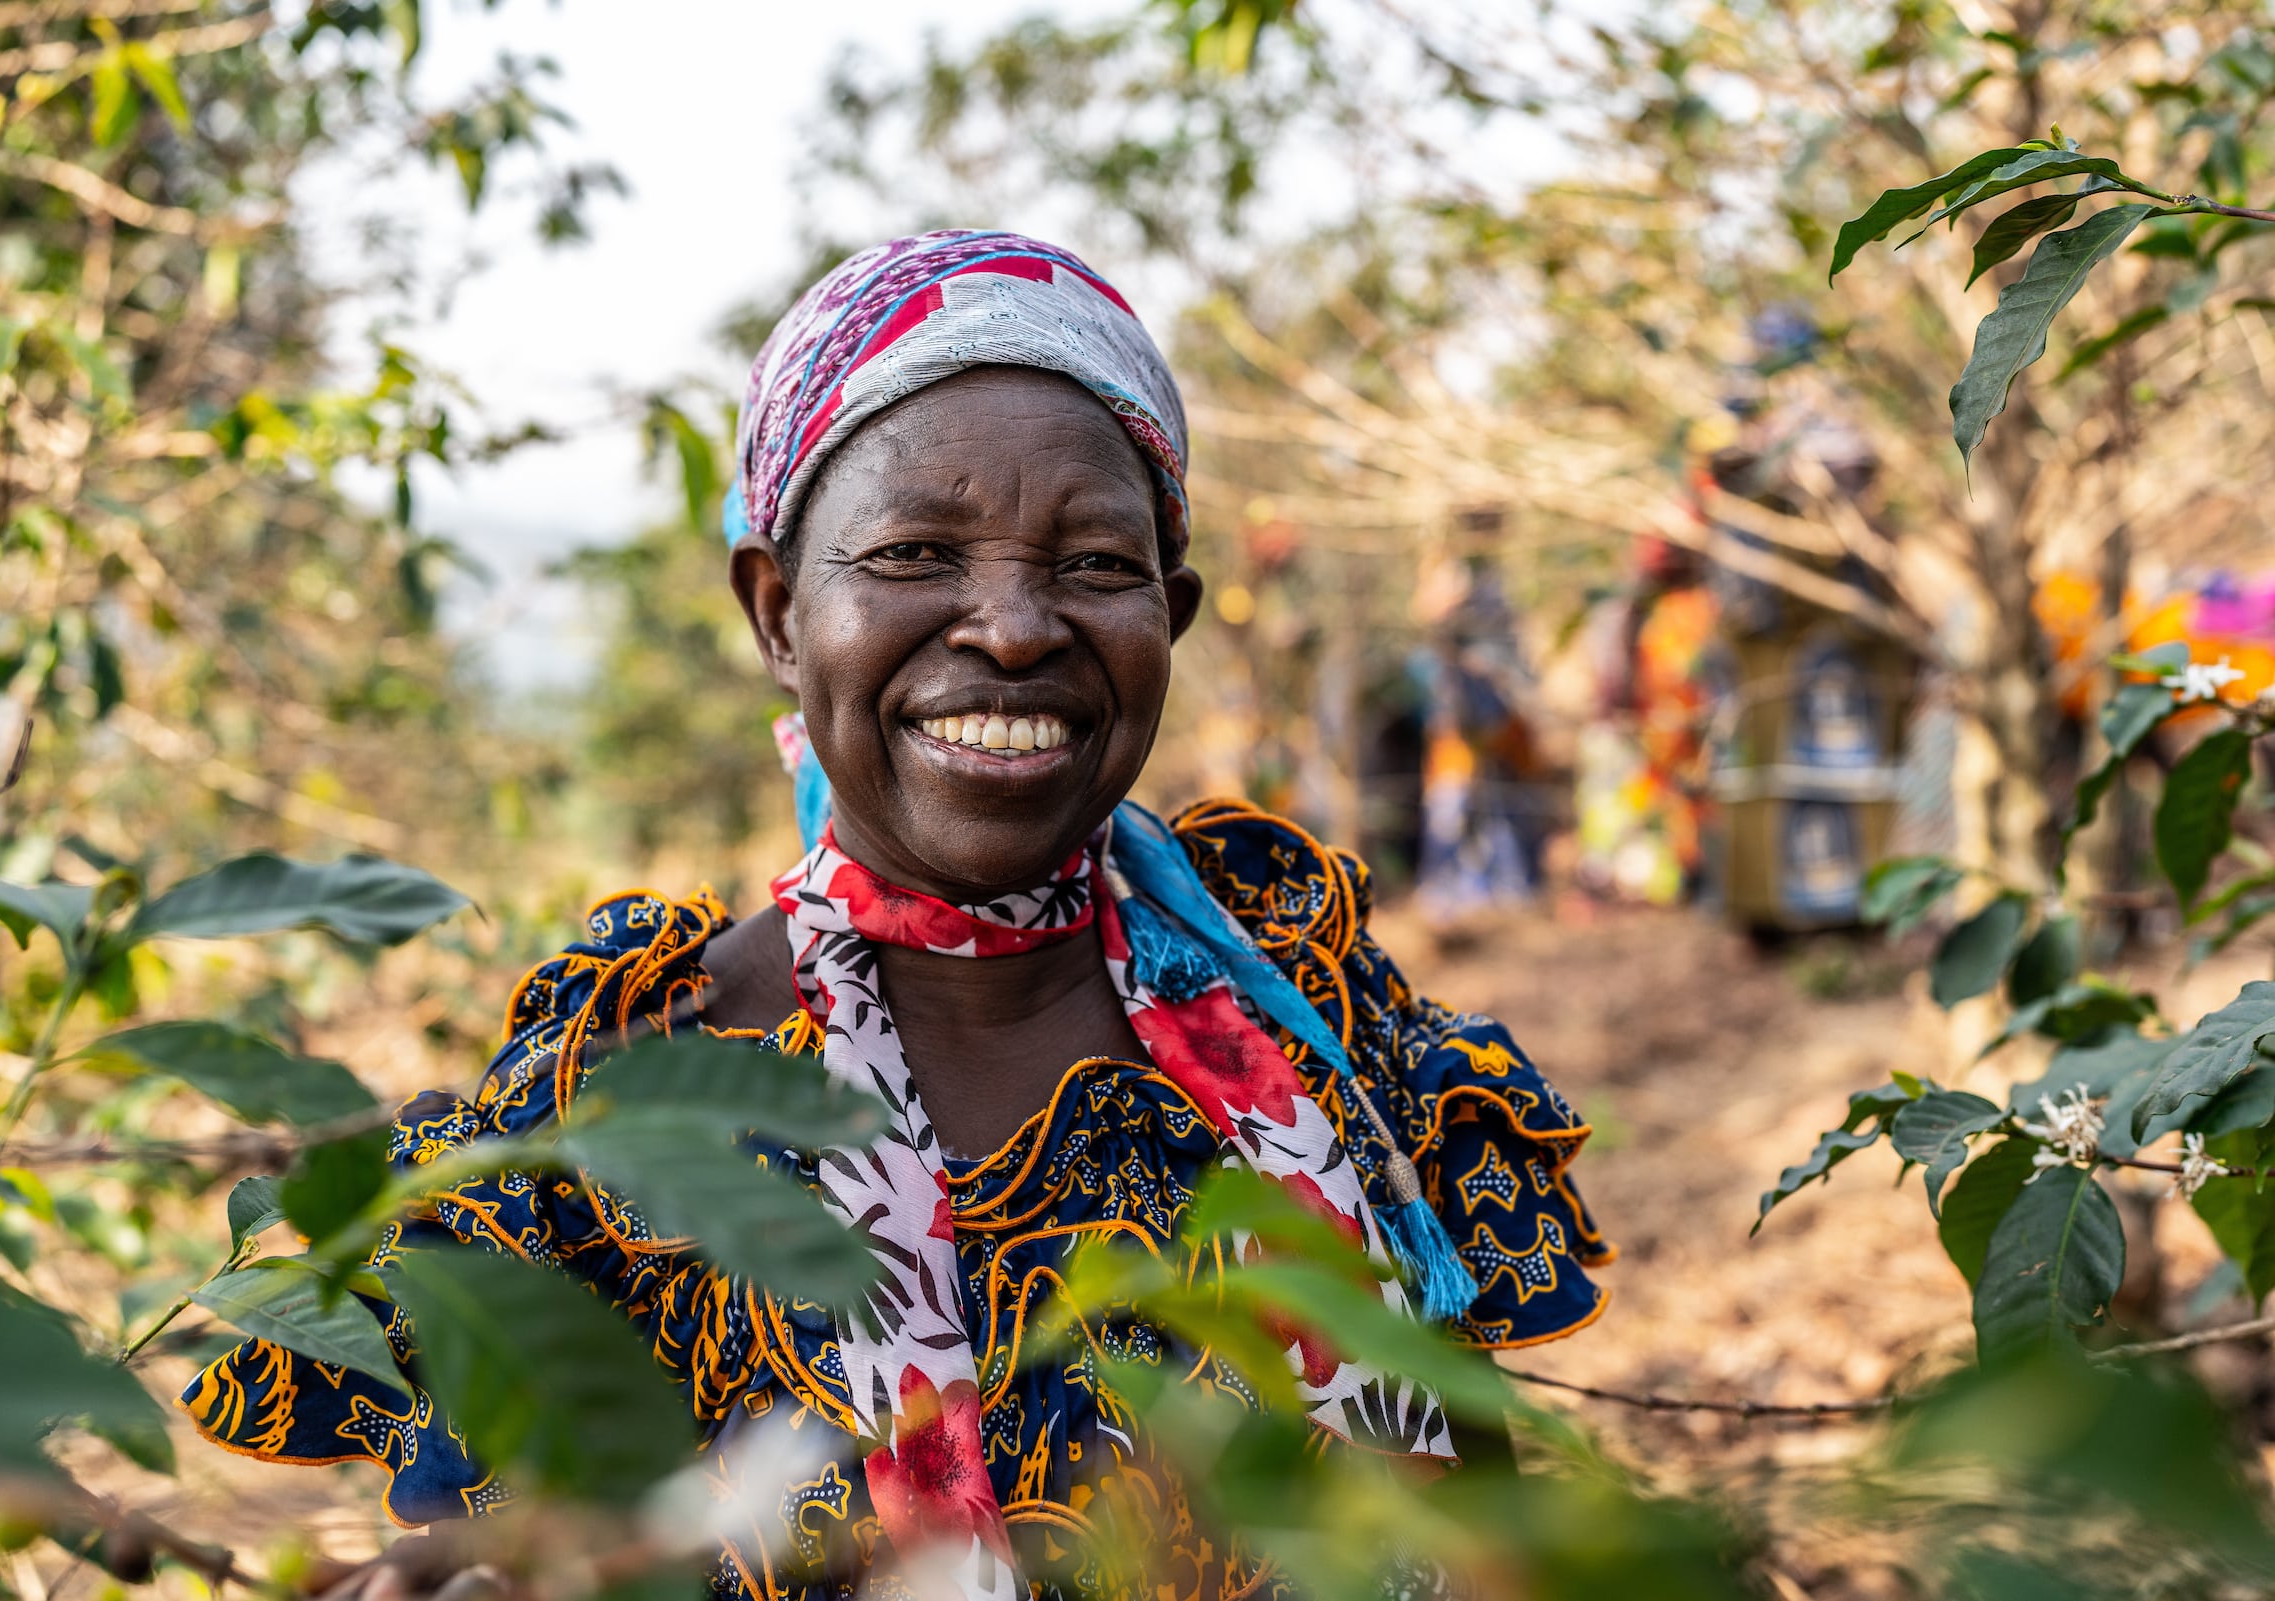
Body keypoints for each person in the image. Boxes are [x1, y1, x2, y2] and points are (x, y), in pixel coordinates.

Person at [182, 231, 1612, 1600]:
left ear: (1169, 614)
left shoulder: (1296, 996)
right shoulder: (622, 1118)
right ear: (776, 609)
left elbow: (1486, 1517)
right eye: (917, 553)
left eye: (1096, 564)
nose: (1013, 625)